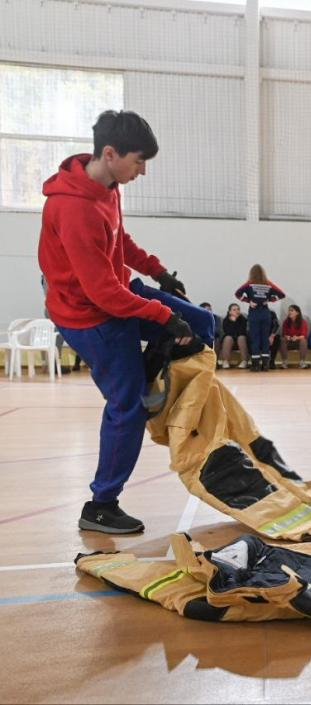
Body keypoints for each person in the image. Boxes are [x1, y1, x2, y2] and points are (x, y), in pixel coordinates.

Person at [37, 109, 213, 534]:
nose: (143, 171)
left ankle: (149, 372)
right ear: (110, 153)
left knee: (202, 323)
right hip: (90, 317)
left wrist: (158, 272)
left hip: (117, 294)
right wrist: (161, 315)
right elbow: (102, 295)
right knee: (127, 408)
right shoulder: (73, 209)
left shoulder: (108, 186)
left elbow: (119, 240)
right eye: (139, 161)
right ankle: (101, 505)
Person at [235, 264, 286, 372]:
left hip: (254, 313)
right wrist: (270, 300)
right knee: (265, 339)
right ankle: (266, 365)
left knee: (255, 339)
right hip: (265, 312)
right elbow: (281, 294)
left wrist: (248, 301)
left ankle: (255, 365)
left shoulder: (249, 284)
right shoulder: (268, 284)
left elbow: (237, 293)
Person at [279, 304, 310, 369]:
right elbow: (284, 333)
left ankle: (302, 362)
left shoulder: (302, 322)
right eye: (289, 310)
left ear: (297, 313)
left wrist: (297, 338)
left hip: (298, 343)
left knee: (303, 341)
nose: (289, 312)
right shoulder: (286, 322)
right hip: (289, 342)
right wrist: (287, 337)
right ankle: (284, 362)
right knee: (282, 339)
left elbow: (304, 335)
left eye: (291, 310)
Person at [220, 303, 250, 369]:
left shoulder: (243, 319)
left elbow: (242, 332)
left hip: (241, 341)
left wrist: (236, 322)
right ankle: (225, 361)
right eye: (234, 310)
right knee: (228, 338)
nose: (237, 311)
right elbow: (228, 332)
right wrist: (233, 322)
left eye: (238, 309)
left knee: (241, 337)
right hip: (230, 341)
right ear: (230, 312)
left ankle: (244, 361)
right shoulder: (226, 320)